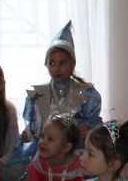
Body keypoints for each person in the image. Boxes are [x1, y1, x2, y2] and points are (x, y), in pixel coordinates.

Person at [20, 20, 103, 148]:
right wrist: (29, 134)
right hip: (46, 149)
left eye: (62, 63)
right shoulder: (36, 95)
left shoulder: (87, 93)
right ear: (46, 65)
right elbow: (34, 128)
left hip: (74, 148)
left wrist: (86, 128)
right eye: (52, 63)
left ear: (72, 64)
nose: (57, 68)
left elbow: (93, 122)